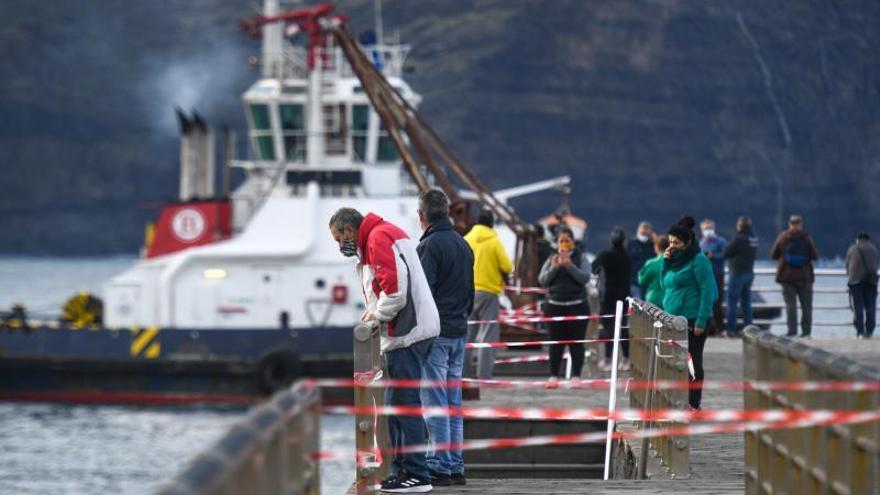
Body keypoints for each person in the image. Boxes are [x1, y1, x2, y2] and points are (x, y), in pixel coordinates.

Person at [329, 207, 440, 493]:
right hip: (414, 330)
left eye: (339, 239)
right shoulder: (383, 233)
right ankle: (405, 471)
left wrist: (375, 315)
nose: (340, 246)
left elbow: (394, 292)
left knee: (405, 404)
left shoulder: (378, 239)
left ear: (349, 230)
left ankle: (417, 475)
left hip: (407, 334)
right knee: (397, 402)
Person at [416, 190, 473, 486]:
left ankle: (438, 464)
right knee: (453, 402)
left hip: (436, 334)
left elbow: (422, 294)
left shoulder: (428, 247)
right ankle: (454, 465)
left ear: (422, 216)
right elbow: (470, 294)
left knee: (434, 401)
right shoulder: (464, 245)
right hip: (459, 331)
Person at [660, 215, 717, 410]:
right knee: (674, 361)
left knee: (693, 360)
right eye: (669, 242)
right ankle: (677, 399)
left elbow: (707, 290)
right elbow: (664, 283)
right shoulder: (673, 259)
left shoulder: (698, 260)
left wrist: (702, 320)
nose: (672, 246)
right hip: (672, 319)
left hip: (693, 319)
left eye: (676, 242)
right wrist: (665, 263)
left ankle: (694, 402)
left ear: (687, 242)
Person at [463, 210, 513, 381]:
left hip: (468, 292)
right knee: (487, 334)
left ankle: (464, 375)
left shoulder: (466, 239)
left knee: (467, 335)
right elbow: (507, 266)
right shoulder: (494, 241)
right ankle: (483, 375)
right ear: (491, 223)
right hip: (489, 293)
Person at [538, 226, 591, 384]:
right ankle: (553, 375)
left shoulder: (581, 258)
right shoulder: (551, 258)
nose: (564, 244)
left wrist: (569, 266)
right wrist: (555, 267)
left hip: (577, 305)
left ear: (573, 242)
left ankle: (576, 376)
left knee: (576, 343)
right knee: (555, 343)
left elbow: (585, 278)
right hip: (555, 305)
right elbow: (542, 280)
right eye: (561, 241)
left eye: (567, 241)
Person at [770, 215, 819, 338]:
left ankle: (792, 331)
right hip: (805, 277)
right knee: (806, 306)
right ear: (801, 224)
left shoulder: (783, 237)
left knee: (790, 306)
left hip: (787, 277)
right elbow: (814, 256)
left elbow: (774, 255)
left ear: (789, 224)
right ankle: (806, 332)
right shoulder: (806, 237)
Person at [592, 227, 631, 372]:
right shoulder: (627, 256)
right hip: (624, 295)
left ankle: (608, 359)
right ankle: (626, 358)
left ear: (610, 240)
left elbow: (593, 268)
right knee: (623, 328)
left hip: (607, 297)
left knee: (608, 328)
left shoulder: (604, 255)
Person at [723, 216, 758, 337]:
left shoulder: (739, 239)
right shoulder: (753, 239)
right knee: (746, 303)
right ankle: (749, 330)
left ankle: (731, 330)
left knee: (732, 303)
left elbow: (726, 252)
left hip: (737, 274)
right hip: (749, 273)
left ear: (740, 226)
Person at [845, 232, 878, 339]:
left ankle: (860, 331)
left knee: (858, 307)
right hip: (870, 282)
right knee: (870, 307)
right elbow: (876, 265)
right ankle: (869, 330)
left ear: (858, 239)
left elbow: (847, 265)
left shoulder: (852, 249)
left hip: (855, 282)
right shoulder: (873, 249)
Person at [699, 219, 727, 336]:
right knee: (706, 302)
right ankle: (709, 328)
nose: (708, 231)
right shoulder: (701, 243)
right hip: (706, 276)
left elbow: (725, 254)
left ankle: (720, 328)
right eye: (705, 229)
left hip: (718, 274)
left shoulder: (721, 241)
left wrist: (713, 256)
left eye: (709, 228)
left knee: (717, 302)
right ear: (702, 230)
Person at [637, 236, 669, 308]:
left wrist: (640, 273)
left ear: (657, 247)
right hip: (669, 299)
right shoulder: (675, 262)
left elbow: (641, 281)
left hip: (653, 299)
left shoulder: (651, 263)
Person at [626, 221, 655, 299]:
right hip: (634, 281)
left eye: (646, 233)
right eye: (642, 233)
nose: (644, 234)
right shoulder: (631, 244)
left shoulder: (653, 245)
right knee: (638, 305)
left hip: (648, 283)